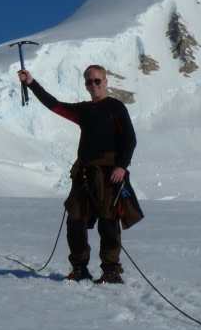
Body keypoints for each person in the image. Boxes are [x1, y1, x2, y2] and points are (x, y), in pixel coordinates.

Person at [18, 64, 141, 283]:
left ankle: (111, 270)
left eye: (96, 81)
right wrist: (31, 83)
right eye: (88, 81)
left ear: (105, 82)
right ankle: (79, 268)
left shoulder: (116, 108)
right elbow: (55, 105)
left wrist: (121, 167)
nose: (93, 85)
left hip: (109, 173)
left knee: (108, 221)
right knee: (74, 217)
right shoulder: (84, 110)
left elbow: (130, 139)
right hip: (84, 171)